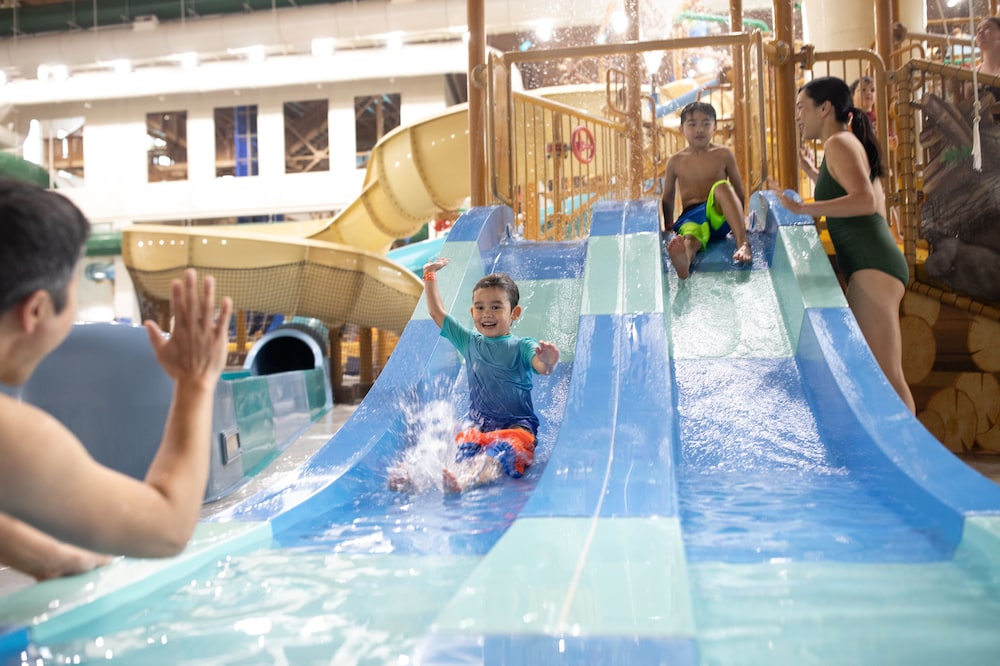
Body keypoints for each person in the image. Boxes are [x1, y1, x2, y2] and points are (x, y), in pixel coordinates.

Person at [0, 178, 233, 580]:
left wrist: (42, 555)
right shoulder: (14, 436)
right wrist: (195, 381)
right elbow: (166, 528)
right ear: (36, 311)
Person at [775, 77, 915, 414]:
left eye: (801, 107)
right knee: (876, 374)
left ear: (824, 108)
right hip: (869, 264)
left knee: (887, 377)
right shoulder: (839, 144)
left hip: (873, 264)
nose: (797, 116)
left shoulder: (840, 143)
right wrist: (813, 176)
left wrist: (804, 209)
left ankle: (911, 447)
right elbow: (845, 194)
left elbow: (865, 201)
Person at [388, 258, 559, 494]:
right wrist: (429, 275)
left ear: (514, 313)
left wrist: (548, 361)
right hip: (478, 430)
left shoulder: (522, 346)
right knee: (458, 455)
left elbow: (541, 367)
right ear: (472, 312)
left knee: (495, 458)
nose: (486, 314)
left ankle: (465, 482)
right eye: (480, 308)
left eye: (496, 307)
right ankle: (415, 479)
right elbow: (437, 313)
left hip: (517, 430)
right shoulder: (468, 341)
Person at [661, 101, 752, 279]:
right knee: (690, 238)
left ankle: (743, 244)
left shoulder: (724, 154)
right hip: (691, 217)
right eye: (692, 124)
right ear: (681, 129)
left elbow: (738, 191)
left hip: (718, 214)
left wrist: (739, 224)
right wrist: (669, 225)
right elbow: (668, 197)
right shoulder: (675, 161)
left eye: (706, 123)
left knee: (722, 187)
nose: (699, 129)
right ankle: (685, 262)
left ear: (715, 127)